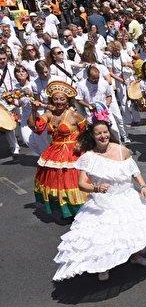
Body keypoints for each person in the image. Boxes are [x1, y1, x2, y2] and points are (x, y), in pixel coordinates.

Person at [53, 120, 146, 281]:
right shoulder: (88, 157)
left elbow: (134, 171)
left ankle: (135, 256)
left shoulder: (122, 151)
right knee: (104, 236)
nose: (103, 136)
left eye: (105, 132)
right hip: (103, 201)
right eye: (98, 133)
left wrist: (143, 186)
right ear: (92, 136)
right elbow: (81, 184)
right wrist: (96, 188)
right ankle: (103, 265)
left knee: (132, 230)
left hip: (127, 196)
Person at [27, 81, 88, 219]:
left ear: (68, 101)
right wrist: (34, 110)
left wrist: (80, 143)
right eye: (55, 99)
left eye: (62, 99)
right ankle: (64, 209)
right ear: (51, 100)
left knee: (71, 181)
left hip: (72, 153)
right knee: (56, 182)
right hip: (54, 152)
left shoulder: (74, 115)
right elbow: (35, 127)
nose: (59, 102)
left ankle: (81, 210)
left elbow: (86, 131)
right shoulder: (49, 115)